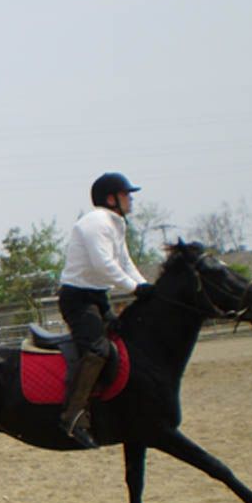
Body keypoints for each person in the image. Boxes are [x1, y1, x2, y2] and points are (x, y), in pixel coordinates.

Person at [57, 172, 155, 448]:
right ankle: (73, 415)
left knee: (126, 339)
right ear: (111, 199)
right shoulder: (95, 223)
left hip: (98, 296)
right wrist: (134, 289)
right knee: (96, 350)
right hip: (78, 299)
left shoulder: (116, 224)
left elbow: (125, 262)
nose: (131, 199)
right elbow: (104, 265)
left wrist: (146, 287)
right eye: (126, 195)